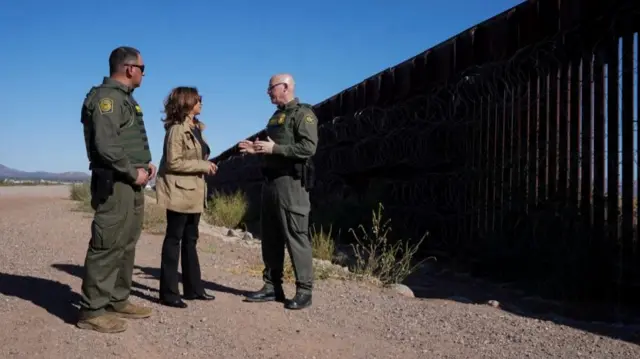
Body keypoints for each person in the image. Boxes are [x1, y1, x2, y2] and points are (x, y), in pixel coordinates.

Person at [77, 46, 156, 333]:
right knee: (107, 243)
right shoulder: (107, 99)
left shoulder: (125, 100)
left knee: (126, 242)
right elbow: (106, 146)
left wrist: (145, 164)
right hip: (116, 183)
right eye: (143, 69)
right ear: (130, 68)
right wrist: (131, 170)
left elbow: (125, 140)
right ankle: (92, 310)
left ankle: (116, 299)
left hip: (131, 182)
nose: (144, 75)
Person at [238, 73, 319, 310]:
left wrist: (275, 149)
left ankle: (305, 291)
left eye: (271, 87)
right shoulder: (276, 117)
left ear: (285, 87)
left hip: (291, 184)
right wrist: (256, 149)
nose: (268, 92)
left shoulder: (303, 114)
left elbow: (308, 148)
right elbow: (273, 148)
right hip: (271, 183)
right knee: (270, 237)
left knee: (296, 235)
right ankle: (272, 286)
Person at [155, 86, 218, 308]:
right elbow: (173, 162)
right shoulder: (176, 130)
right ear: (187, 103)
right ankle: (169, 293)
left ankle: (194, 289)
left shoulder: (196, 128)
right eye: (197, 99)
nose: (201, 102)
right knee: (174, 240)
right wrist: (203, 165)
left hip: (194, 193)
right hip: (179, 193)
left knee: (191, 240)